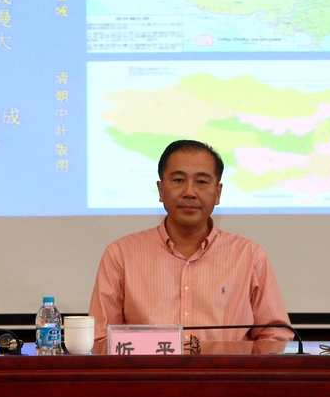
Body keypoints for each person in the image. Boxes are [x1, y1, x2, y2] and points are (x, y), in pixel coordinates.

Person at [88, 139, 293, 342]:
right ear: (161, 190)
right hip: (150, 366)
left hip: (224, 366)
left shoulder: (249, 256)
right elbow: (100, 338)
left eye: (201, 182)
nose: (189, 192)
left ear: (218, 193)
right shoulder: (121, 254)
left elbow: (276, 335)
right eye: (178, 180)